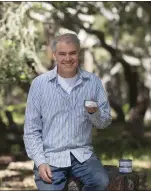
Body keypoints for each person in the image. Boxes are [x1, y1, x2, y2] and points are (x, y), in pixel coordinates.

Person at [23, 33, 112, 191]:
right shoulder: (39, 85)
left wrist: (94, 113)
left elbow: (104, 122)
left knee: (101, 181)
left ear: (79, 53)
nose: (68, 58)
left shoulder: (93, 83)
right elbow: (31, 130)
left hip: (83, 155)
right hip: (50, 156)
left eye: (72, 53)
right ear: (54, 55)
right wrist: (40, 162)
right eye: (62, 54)